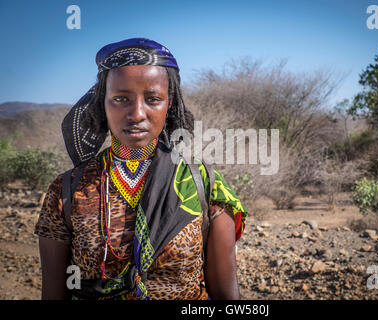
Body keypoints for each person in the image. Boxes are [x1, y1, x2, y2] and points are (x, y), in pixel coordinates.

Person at [34, 38, 247, 300]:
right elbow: (54, 294)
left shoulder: (204, 183)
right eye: (121, 98)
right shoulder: (67, 190)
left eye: (153, 99)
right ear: (103, 103)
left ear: (169, 104)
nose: (136, 113)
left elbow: (227, 297)